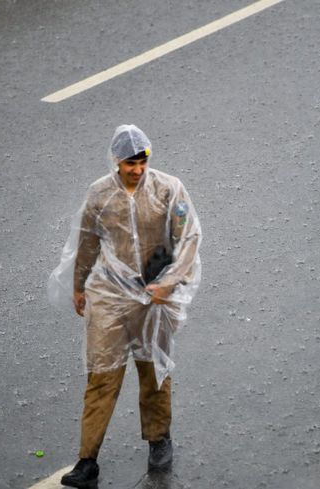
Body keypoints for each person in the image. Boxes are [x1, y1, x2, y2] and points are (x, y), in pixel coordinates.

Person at [48, 125, 202, 486]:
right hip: (109, 296)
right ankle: (87, 462)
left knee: (153, 370)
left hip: (153, 295)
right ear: (116, 161)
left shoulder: (168, 189)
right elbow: (87, 241)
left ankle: (159, 438)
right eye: (130, 163)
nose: (137, 169)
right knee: (101, 376)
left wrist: (169, 283)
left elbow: (189, 237)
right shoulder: (99, 194)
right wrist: (79, 286)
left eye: (142, 162)